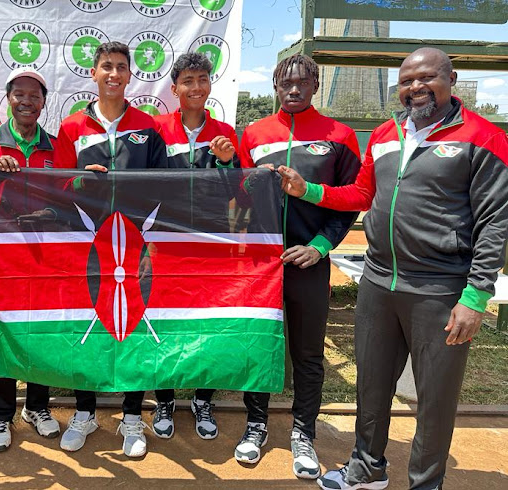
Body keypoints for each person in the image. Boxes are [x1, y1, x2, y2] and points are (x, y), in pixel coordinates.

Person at [277, 47, 508, 490]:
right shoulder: (386, 132)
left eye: (426, 78)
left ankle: (425, 482)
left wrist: (475, 297)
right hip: (379, 282)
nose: (415, 87)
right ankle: (367, 467)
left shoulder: (482, 136)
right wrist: (308, 188)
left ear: (451, 78)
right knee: (372, 386)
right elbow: (360, 195)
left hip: (441, 289)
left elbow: (495, 221)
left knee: (435, 399)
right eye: (406, 81)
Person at [237, 54, 361, 478]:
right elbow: (236, 198)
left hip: (308, 261)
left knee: (307, 353)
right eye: (286, 82)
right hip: (260, 264)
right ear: (274, 84)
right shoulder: (253, 133)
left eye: (303, 82)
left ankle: (303, 432)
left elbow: (352, 201)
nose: (294, 89)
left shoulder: (339, 136)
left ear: (315, 84)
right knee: (259, 346)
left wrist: (321, 247)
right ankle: (255, 425)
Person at [54, 41, 167, 458]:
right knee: (91, 322)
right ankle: (84, 413)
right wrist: (79, 181)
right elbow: (59, 186)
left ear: (130, 75)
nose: (114, 74)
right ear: (94, 73)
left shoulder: (149, 126)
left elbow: (162, 185)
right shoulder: (71, 127)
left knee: (133, 324)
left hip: (135, 244)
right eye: (106, 66)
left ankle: (133, 416)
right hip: (88, 244)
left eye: (121, 67)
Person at [0, 68, 61, 452]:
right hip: (1, 259)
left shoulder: (57, 146)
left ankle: (37, 407)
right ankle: (2, 414)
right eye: (19, 94)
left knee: (41, 331)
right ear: (9, 98)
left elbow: (70, 199)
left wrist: (55, 211)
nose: (27, 102)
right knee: (2, 333)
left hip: (44, 257)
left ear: (44, 102)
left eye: (35, 96)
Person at [150, 52, 239, 441]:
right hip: (165, 247)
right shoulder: (155, 130)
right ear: (174, 89)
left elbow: (237, 191)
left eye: (202, 79)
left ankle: (204, 399)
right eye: (188, 80)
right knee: (166, 324)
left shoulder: (225, 131)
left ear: (209, 85)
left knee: (207, 324)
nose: (196, 87)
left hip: (210, 247)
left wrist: (223, 163)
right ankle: (165, 399)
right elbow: (143, 185)